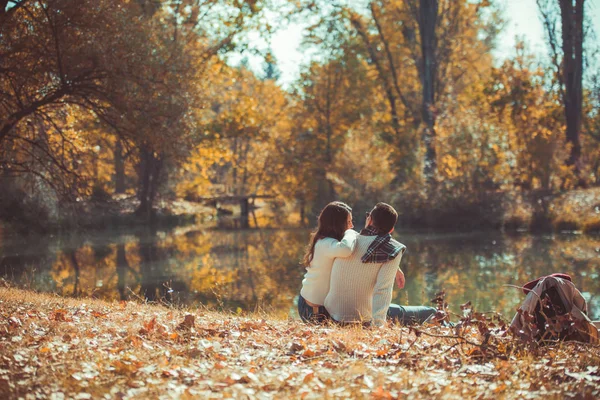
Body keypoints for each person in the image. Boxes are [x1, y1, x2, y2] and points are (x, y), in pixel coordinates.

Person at [324, 202, 436, 327]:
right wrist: (378, 326)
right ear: (391, 229)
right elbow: (383, 289)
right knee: (431, 312)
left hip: (332, 315)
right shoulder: (392, 250)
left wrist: (396, 269)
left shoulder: (348, 239)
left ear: (369, 219)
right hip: (362, 318)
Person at [298, 201, 358, 323]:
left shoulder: (333, 243)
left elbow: (363, 242)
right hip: (313, 310)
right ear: (337, 224)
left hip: (327, 308)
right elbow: (346, 249)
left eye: (351, 221)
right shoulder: (325, 243)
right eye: (348, 222)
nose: (351, 226)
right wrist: (350, 233)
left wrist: (395, 268)